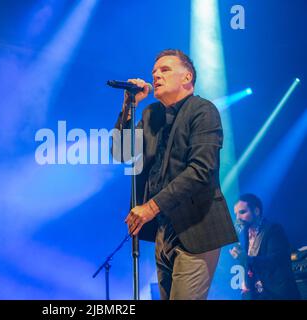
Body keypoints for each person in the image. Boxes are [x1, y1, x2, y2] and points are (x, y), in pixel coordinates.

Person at [114, 49, 237, 299]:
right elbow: (121, 153)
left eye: (165, 70)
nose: (156, 75)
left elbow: (200, 170)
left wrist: (150, 207)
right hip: (163, 230)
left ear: (187, 77)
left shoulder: (203, 111)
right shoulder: (151, 115)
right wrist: (128, 107)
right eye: (154, 72)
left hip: (197, 228)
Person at [230, 193, 300, 300]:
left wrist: (247, 259)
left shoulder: (273, 230)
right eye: (236, 214)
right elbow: (249, 264)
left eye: (242, 212)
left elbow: (275, 261)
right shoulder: (244, 234)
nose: (238, 217)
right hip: (258, 293)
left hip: (278, 293)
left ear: (256, 211)